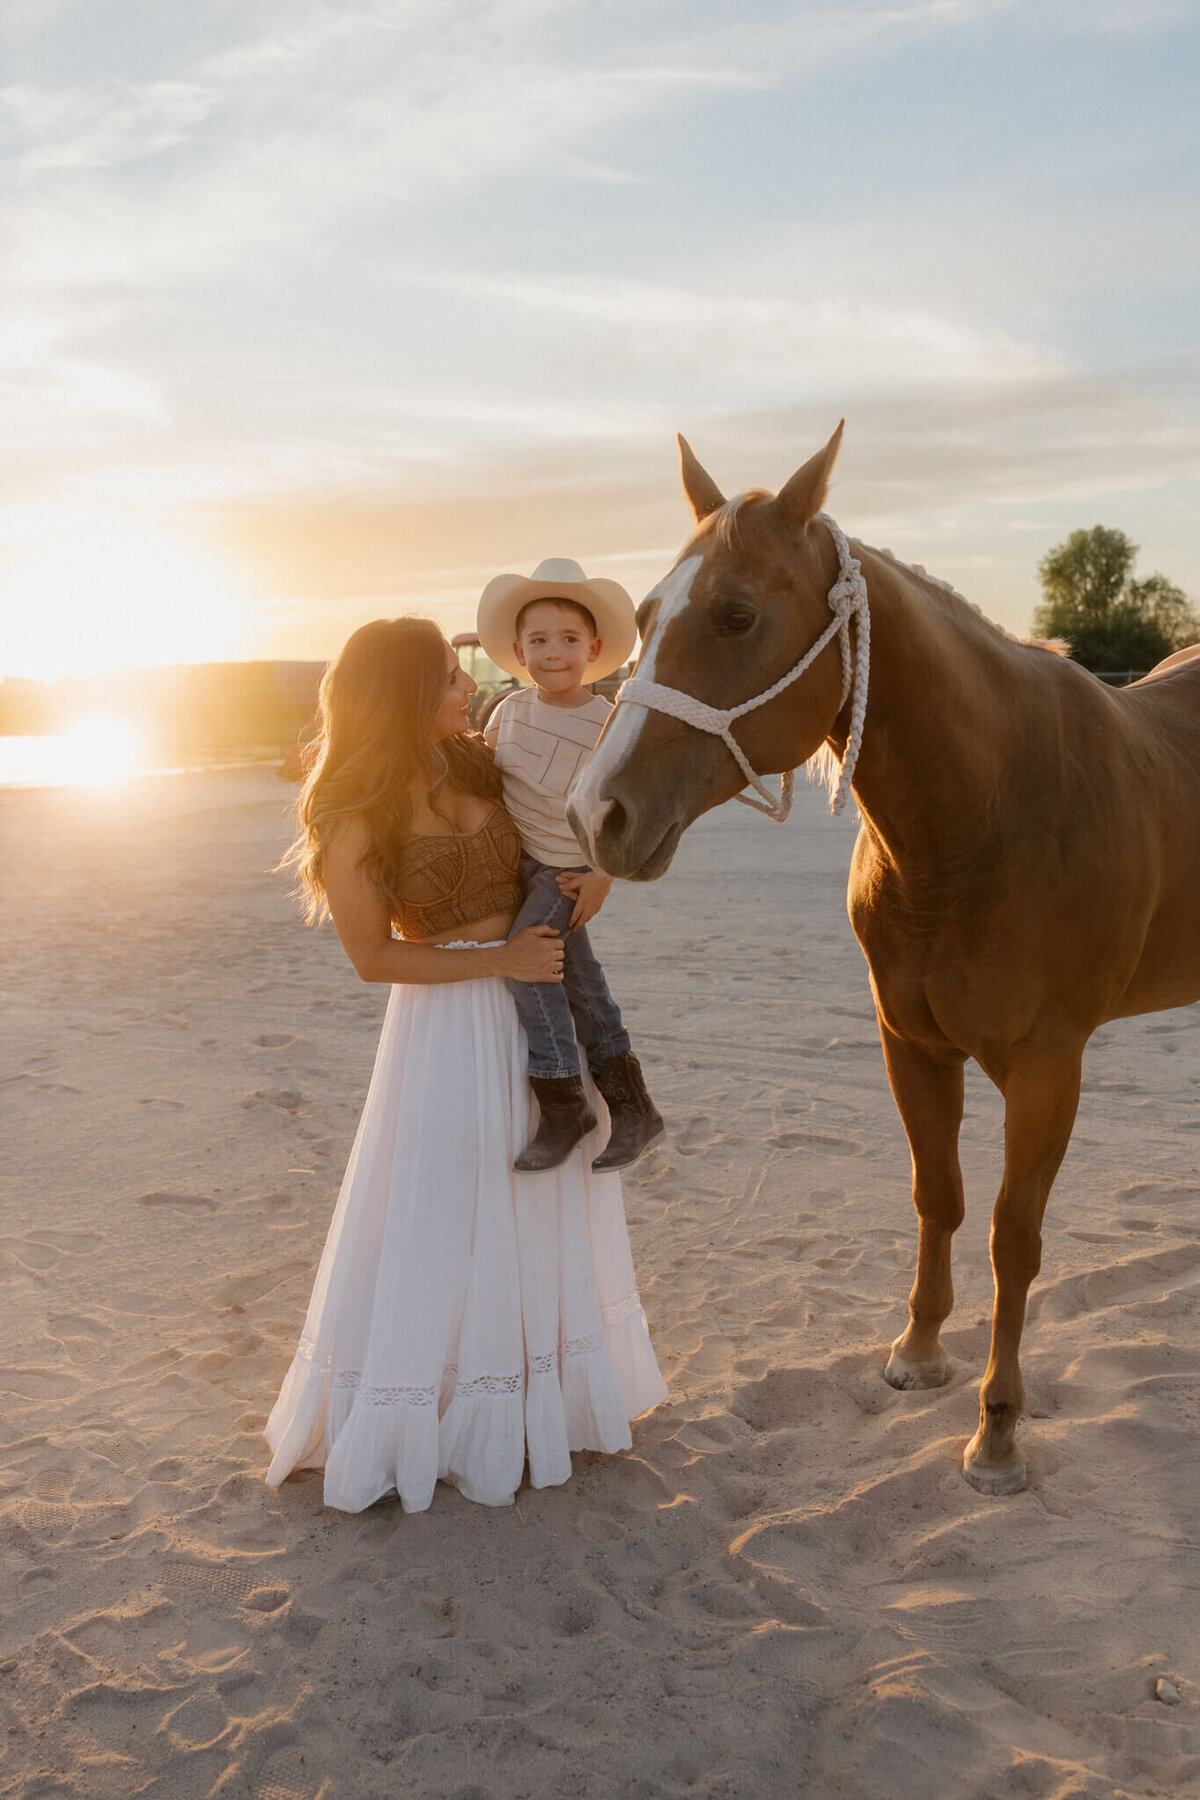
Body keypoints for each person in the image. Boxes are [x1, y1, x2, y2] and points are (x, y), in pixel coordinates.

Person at [263, 617, 667, 1514]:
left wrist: (596, 875)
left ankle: (538, 1403)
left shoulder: (482, 761)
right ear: (404, 697)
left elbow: (570, 817)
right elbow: (372, 958)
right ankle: (442, 1406)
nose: (468, 692)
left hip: (537, 1005)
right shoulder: (348, 814)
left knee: (539, 1194)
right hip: (444, 1025)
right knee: (450, 1201)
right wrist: (499, 961)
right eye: (450, 680)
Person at [477, 558, 665, 1176]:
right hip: (519, 866)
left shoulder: (609, 723)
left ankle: (564, 1103)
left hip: (564, 871)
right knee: (580, 983)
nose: (552, 652)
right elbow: (489, 784)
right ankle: (633, 1108)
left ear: (595, 648)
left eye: (567, 639)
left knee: (528, 966)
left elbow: (636, 808)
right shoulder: (506, 713)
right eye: (538, 640)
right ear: (516, 649)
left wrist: (605, 873)